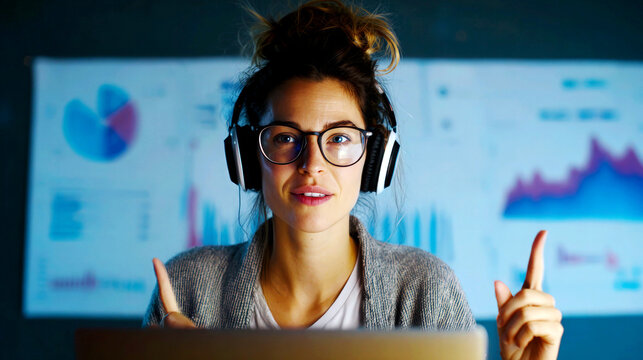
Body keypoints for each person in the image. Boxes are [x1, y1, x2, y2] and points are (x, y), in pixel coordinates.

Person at [143, 1, 564, 358]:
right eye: (287, 137)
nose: (312, 164)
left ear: (374, 158)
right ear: (250, 158)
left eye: (340, 138)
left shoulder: (424, 290)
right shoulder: (186, 291)